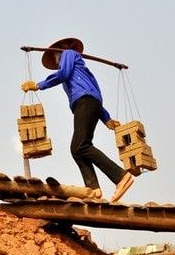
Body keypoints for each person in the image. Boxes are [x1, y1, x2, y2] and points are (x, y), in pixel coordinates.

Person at [21, 37, 134, 202]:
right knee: (77, 148)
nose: (56, 57)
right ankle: (93, 189)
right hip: (88, 103)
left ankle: (120, 176)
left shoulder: (68, 54)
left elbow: (66, 75)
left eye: (55, 54)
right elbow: (94, 94)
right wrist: (106, 118)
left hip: (84, 102)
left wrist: (39, 85)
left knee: (81, 146)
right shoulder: (80, 71)